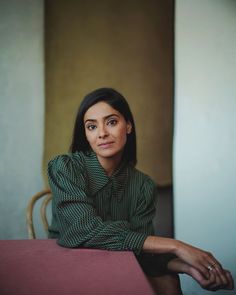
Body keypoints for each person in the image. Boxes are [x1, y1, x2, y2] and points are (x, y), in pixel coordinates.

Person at [47, 87, 234, 294]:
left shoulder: (143, 185)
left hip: (117, 264)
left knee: (170, 282)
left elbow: (142, 252)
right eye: (91, 126)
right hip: (68, 263)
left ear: (128, 126)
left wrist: (189, 268)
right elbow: (84, 230)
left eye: (111, 122)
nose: (102, 133)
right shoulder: (65, 167)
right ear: (85, 134)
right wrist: (177, 246)